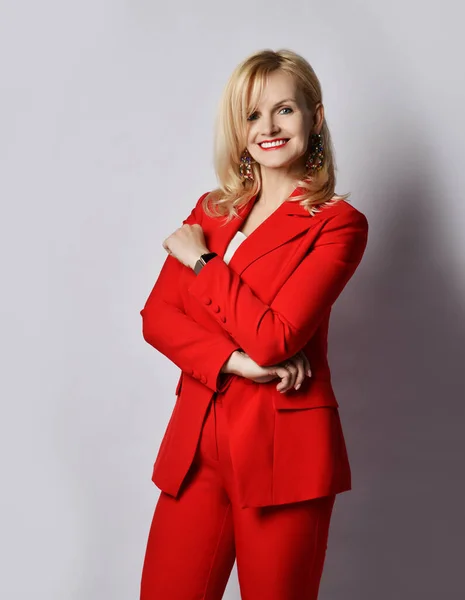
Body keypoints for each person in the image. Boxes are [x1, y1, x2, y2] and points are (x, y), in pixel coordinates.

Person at [139, 48, 369, 600]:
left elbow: (275, 337)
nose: (267, 128)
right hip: (195, 449)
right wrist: (237, 361)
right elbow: (157, 319)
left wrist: (201, 262)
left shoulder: (338, 224)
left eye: (283, 110)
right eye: (252, 115)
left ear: (314, 117)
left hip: (282, 451)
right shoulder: (212, 212)